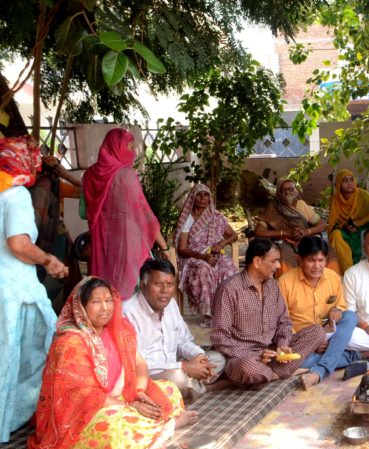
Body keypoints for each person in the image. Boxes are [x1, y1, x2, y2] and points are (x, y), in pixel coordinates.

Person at [27, 278, 198, 449]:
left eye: (108, 300)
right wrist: (129, 405)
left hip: (124, 398)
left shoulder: (118, 331)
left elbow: (140, 364)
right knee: (117, 428)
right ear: (81, 307)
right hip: (82, 415)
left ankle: (155, 427)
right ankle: (167, 426)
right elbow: (87, 397)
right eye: (95, 302)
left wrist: (139, 393)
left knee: (169, 390)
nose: (104, 308)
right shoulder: (70, 343)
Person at [0, 135, 67, 443]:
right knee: (39, 351)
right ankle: (13, 418)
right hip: (14, 292)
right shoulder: (15, 195)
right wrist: (48, 260)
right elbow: (18, 243)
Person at [210, 238, 325, 388]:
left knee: (317, 332)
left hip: (272, 353)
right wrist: (256, 356)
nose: (278, 265)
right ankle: (277, 373)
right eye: (274, 261)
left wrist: (283, 346)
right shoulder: (230, 289)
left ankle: (267, 376)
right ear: (257, 262)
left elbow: (284, 322)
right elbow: (219, 337)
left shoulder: (272, 286)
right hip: (241, 358)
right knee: (248, 368)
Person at [83, 128, 169, 299]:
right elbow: (145, 215)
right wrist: (164, 246)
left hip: (102, 243)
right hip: (128, 243)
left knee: (105, 288)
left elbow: (82, 211)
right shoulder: (127, 176)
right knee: (131, 292)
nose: (134, 152)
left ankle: (109, 323)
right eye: (130, 147)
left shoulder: (89, 175)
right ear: (117, 148)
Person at [123, 259, 226, 402]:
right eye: (158, 284)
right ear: (143, 283)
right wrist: (184, 366)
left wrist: (199, 357)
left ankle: (189, 388)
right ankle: (205, 388)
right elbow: (138, 362)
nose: (165, 291)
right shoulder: (128, 312)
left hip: (174, 366)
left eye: (170, 284)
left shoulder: (171, 304)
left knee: (217, 359)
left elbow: (184, 341)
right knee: (179, 378)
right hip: (147, 374)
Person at [278, 236, 361, 390]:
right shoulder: (284, 283)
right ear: (299, 260)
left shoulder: (333, 278)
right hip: (301, 341)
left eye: (321, 260)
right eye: (311, 260)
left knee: (350, 316)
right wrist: (314, 343)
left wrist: (337, 311)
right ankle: (352, 357)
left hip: (330, 335)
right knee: (299, 361)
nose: (317, 266)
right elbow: (282, 322)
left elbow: (341, 307)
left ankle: (320, 370)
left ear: (326, 259)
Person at [173, 183, 238, 327]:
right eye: (199, 195)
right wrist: (203, 257)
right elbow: (182, 249)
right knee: (204, 269)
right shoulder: (188, 219)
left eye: (206, 195)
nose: (203, 198)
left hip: (215, 256)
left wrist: (221, 244)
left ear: (210, 198)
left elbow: (234, 235)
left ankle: (228, 313)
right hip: (193, 258)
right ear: (193, 198)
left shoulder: (216, 216)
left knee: (229, 268)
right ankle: (210, 315)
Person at [256, 178, 340, 276]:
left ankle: (330, 283)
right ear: (278, 193)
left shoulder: (301, 205)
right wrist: (286, 233)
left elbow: (322, 225)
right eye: (283, 190)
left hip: (305, 240)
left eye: (291, 189)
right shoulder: (272, 207)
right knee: (284, 255)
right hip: (283, 242)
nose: (287, 192)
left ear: (296, 191)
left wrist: (305, 232)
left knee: (329, 251)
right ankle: (288, 287)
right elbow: (259, 231)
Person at [31, 155, 82, 313]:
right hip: (55, 239)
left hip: (37, 239)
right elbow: (84, 191)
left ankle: (44, 310)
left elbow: (85, 192)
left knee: (45, 278)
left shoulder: (37, 185)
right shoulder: (50, 185)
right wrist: (66, 175)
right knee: (54, 277)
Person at [327, 169, 369, 273]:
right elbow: (334, 222)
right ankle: (345, 270)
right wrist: (344, 226)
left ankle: (350, 271)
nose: (349, 183)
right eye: (345, 180)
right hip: (345, 230)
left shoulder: (363, 195)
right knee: (335, 234)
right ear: (339, 184)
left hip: (363, 230)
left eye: (351, 180)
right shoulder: (335, 199)